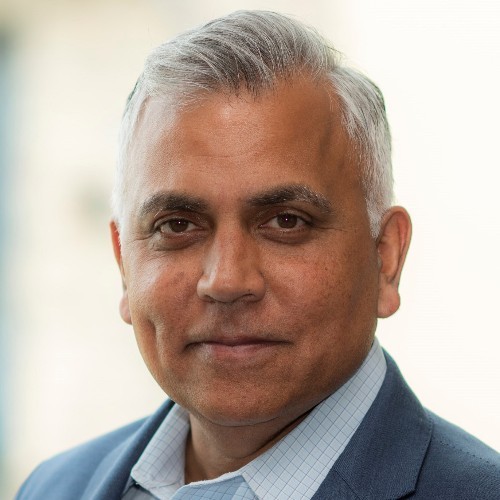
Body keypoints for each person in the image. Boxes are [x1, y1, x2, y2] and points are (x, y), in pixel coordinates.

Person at [16, 10, 499, 500]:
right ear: (124, 264)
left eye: (287, 221)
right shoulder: (51, 488)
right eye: (177, 225)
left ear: (386, 258)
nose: (226, 281)